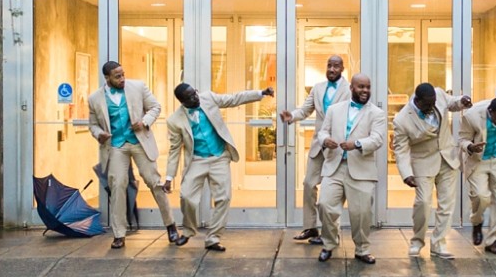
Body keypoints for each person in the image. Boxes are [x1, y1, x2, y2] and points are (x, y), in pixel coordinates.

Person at [164, 82, 275, 251]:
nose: (196, 97)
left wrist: (260, 93)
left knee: (223, 198)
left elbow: (234, 99)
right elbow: (174, 149)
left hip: (219, 157)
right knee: (187, 196)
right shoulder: (174, 120)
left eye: (195, 92)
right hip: (197, 160)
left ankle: (213, 238)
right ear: (182, 102)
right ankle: (188, 231)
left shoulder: (207, 98)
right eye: (191, 97)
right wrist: (168, 177)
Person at [88, 61, 180, 249]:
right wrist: (99, 134)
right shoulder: (94, 98)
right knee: (118, 185)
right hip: (116, 146)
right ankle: (119, 234)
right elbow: (93, 125)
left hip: (139, 142)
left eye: (123, 74)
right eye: (117, 76)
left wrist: (144, 122)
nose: (122, 79)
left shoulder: (137, 87)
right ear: (107, 78)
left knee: (154, 181)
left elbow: (155, 107)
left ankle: (171, 225)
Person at [392, 82, 471, 259]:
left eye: (433, 103)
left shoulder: (438, 96)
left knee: (447, 205)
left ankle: (439, 244)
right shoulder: (402, 120)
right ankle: (417, 242)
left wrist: (462, 101)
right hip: (423, 162)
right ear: (417, 101)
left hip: (447, 158)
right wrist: (406, 174)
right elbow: (401, 149)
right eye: (428, 104)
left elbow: (451, 103)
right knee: (423, 204)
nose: (432, 106)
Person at [279, 55, 350, 244]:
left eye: (336, 66)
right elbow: (305, 110)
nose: (332, 69)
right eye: (329, 66)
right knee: (309, 184)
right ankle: (310, 228)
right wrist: (291, 116)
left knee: (330, 194)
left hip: (337, 148)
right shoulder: (318, 88)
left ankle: (330, 233)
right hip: (319, 146)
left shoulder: (349, 90)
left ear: (342, 68)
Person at [315, 73, 386, 264]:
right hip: (334, 166)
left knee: (361, 213)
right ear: (351, 88)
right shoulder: (334, 109)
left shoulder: (377, 114)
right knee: (325, 205)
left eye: (368, 87)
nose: (365, 91)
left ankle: (362, 249)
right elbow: (323, 131)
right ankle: (329, 243)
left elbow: (378, 139)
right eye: (361, 87)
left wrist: (357, 144)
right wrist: (325, 140)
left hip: (361, 169)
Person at [458, 97, 496, 256]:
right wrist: (470, 146)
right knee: (481, 197)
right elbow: (462, 139)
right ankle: (477, 222)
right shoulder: (471, 116)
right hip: (478, 159)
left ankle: (493, 241)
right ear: (490, 112)